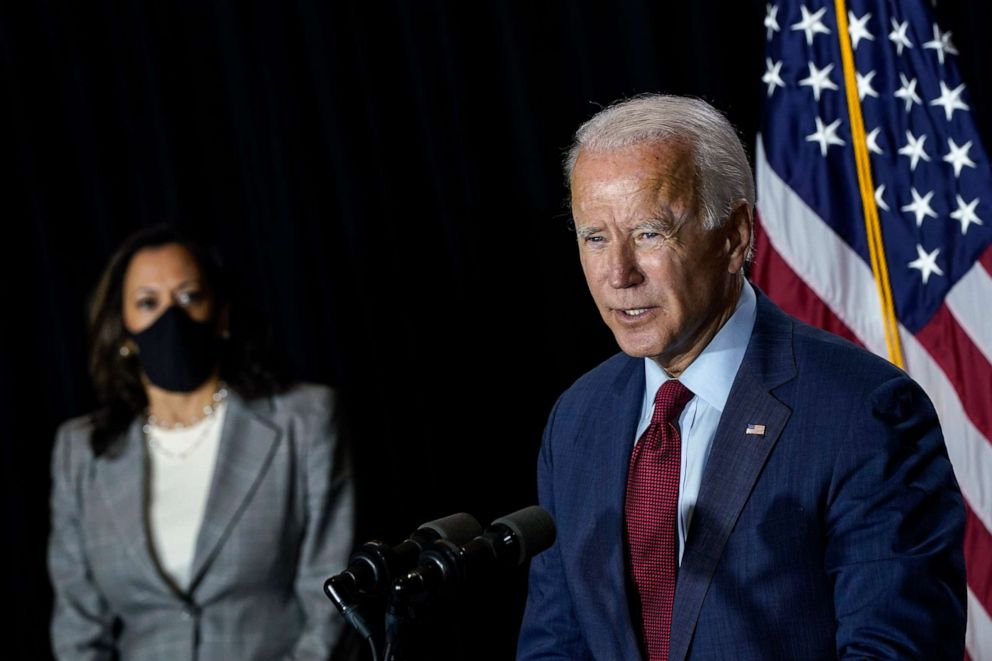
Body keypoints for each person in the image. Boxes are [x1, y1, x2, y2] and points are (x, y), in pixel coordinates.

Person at [516, 95, 966, 660]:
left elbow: (896, 649)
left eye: (650, 233)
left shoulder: (863, 411)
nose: (618, 274)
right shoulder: (578, 420)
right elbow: (556, 645)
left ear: (734, 236)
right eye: (595, 237)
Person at [48, 225, 354, 660]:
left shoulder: (304, 421)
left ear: (222, 314)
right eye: (147, 302)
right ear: (123, 329)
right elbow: (77, 627)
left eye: (189, 296)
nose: (170, 317)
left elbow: (332, 598)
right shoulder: (79, 451)